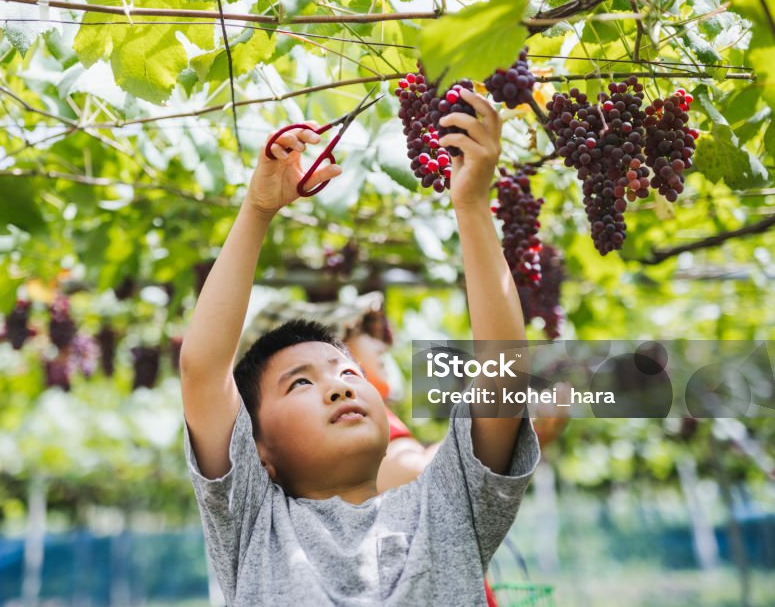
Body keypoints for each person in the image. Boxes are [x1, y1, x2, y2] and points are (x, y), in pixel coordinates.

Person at [178, 90, 540, 604]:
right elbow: (201, 369)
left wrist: (473, 207)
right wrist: (257, 211)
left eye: (349, 374)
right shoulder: (253, 523)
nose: (336, 387)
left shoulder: (449, 503)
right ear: (257, 453)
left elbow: (503, 375)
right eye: (301, 382)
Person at [238, 292, 440, 492]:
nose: (382, 345)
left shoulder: (366, 415)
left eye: (347, 372)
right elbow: (418, 476)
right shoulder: (353, 420)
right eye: (364, 331)